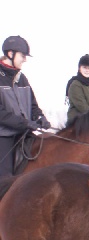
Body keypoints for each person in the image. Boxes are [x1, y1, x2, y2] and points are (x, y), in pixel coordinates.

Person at [0, 35, 51, 178]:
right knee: (4, 177)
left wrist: (40, 117)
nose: (25, 59)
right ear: (11, 54)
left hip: (23, 133)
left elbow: (33, 105)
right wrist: (24, 123)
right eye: (22, 55)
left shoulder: (22, 78)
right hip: (3, 136)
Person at [66, 54, 89, 123]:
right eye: (84, 67)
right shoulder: (75, 85)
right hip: (77, 122)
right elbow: (82, 107)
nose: (87, 70)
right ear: (79, 68)